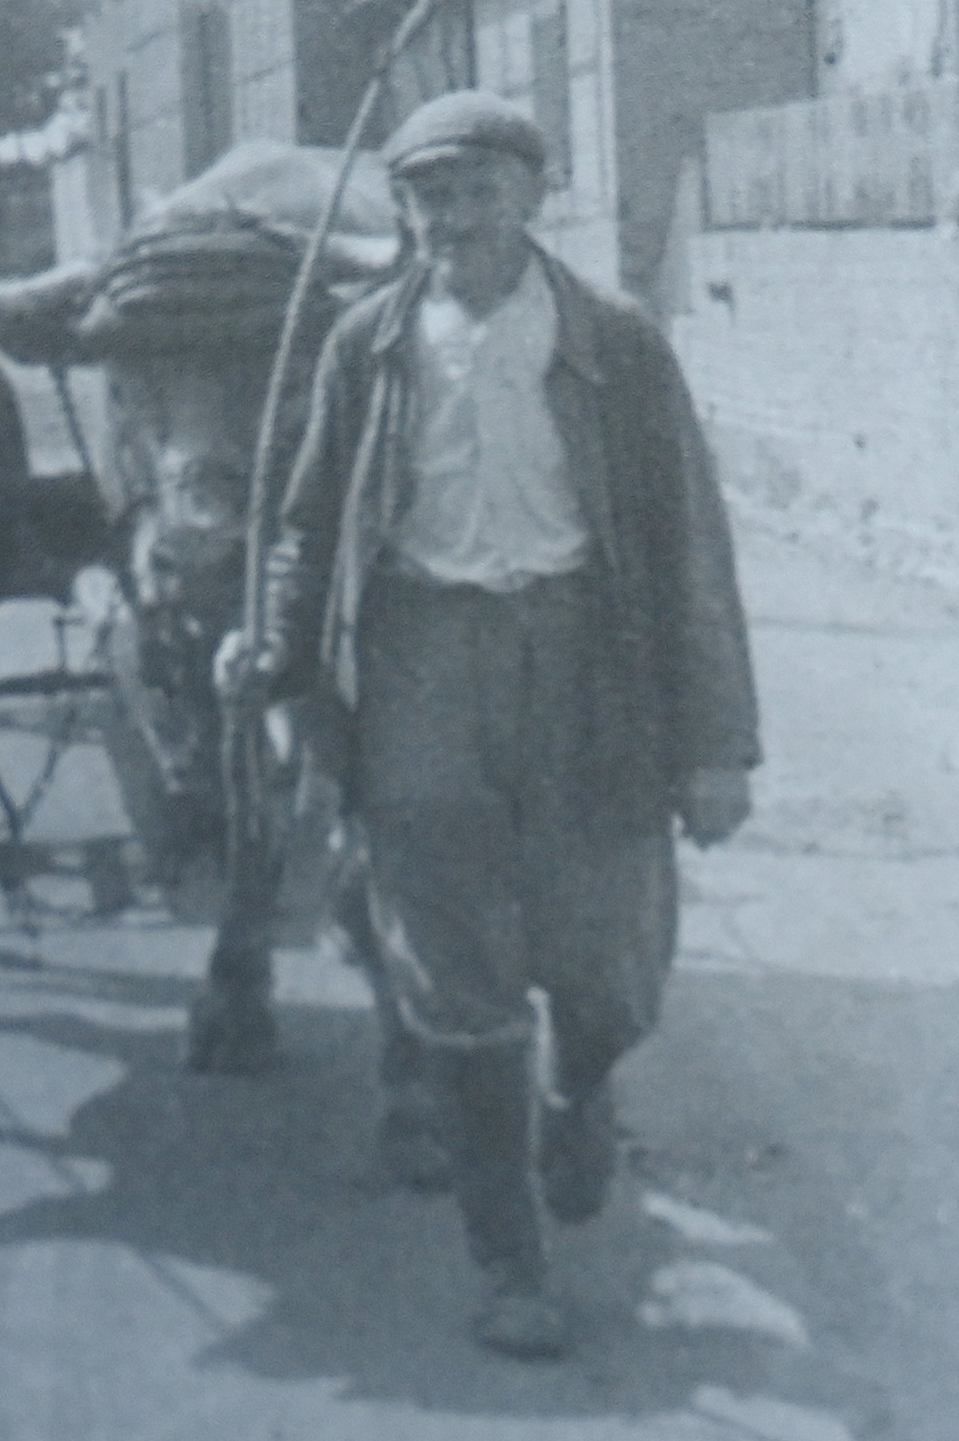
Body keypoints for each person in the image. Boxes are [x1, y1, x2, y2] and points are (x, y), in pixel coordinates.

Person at [218, 90, 761, 1359]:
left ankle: (582, 1083)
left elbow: (692, 552)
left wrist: (717, 744)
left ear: (532, 193)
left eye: (475, 191)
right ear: (401, 213)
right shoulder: (366, 344)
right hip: (421, 662)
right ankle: (508, 1265)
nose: (451, 220)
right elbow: (306, 528)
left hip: (587, 660)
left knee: (606, 956)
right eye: (427, 197)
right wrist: (283, 663)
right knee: (449, 967)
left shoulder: (618, 344)